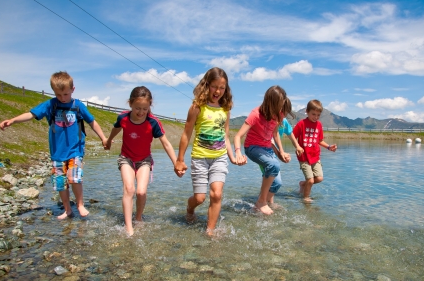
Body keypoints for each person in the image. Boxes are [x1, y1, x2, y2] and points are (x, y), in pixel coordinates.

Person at [0, 71, 107, 219]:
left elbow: (92, 122)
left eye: (66, 94)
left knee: (74, 177)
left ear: (72, 90)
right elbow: (31, 114)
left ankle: (80, 204)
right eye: (58, 95)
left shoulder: (78, 106)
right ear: (54, 92)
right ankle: (67, 209)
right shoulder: (50, 105)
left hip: (75, 150)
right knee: (60, 182)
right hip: (57, 152)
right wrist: (13, 120)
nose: (63, 98)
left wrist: (103, 138)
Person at [174, 67, 246, 236]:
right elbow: (186, 133)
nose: (218, 91)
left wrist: (233, 156)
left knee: (216, 194)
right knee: (200, 198)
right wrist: (180, 159)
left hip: (219, 157)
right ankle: (190, 208)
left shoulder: (225, 109)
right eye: (214, 86)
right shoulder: (197, 107)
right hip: (200, 157)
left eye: (222, 87)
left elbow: (226, 136)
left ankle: (210, 231)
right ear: (206, 85)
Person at [104, 86, 182, 236]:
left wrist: (176, 162)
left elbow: (166, 143)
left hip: (144, 160)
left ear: (150, 106)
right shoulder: (123, 118)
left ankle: (138, 217)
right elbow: (116, 128)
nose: (141, 112)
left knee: (141, 191)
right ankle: (129, 228)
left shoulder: (153, 122)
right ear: (130, 104)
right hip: (126, 158)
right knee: (129, 189)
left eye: (144, 109)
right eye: (137, 108)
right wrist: (108, 140)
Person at [233, 85, 291, 215]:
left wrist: (281, 151)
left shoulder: (278, 114)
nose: (280, 109)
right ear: (270, 102)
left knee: (277, 183)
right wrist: (238, 152)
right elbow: (238, 136)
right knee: (273, 165)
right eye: (278, 105)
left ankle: (261, 205)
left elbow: (275, 133)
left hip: (267, 149)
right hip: (252, 148)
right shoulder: (255, 114)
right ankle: (261, 202)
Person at [293, 99, 337, 203]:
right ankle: (306, 198)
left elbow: (320, 140)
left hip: (315, 157)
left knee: (319, 178)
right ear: (307, 112)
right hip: (304, 157)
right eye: (313, 114)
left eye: (318, 115)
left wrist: (328, 147)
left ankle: (303, 184)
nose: (315, 117)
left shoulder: (319, 125)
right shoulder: (301, 124)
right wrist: (297, 147)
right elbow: (293, 137)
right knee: (311, 180)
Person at [265, 100, 303, 204]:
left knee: (271, 180)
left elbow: (290, 134)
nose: (283, 116)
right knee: (276, 181)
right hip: (264, 154)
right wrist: (281, 154)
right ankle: (262, 203)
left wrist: (298, 146)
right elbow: (271, 142)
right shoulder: (270, 122)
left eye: (285, 114)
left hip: (272, 155)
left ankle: (269, 203)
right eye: (281, 113)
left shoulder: (284, 122)